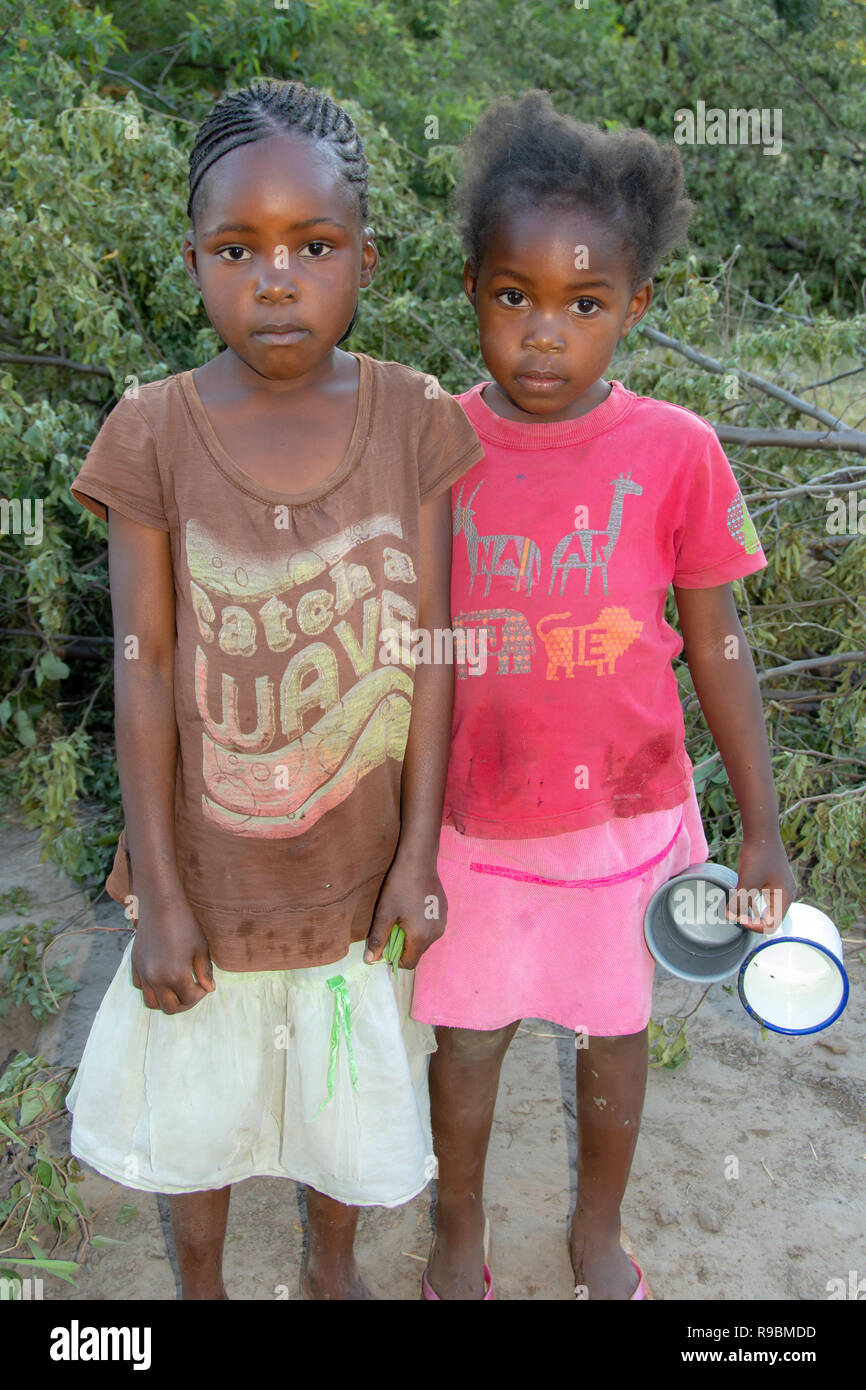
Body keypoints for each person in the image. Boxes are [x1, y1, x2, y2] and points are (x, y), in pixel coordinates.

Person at [65, 77, 484, 1301]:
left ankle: (329, 1268)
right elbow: (141, 675)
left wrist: (416, 855)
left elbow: (434, 641)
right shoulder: (150, 432)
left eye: (313, 245)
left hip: (358, 880)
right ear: (192, 259)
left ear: (366, 255)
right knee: (196, 1113)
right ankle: (200, 1284)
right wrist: (159, 887)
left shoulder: (413, 417)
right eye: (238, 250)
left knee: (343, 1102)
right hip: (208, 874)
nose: (277, 277)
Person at [411, 89, 797, 1301]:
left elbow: (718, 647)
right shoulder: (434, 448)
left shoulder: (676, 450)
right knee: (467, 1040)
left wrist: (764, 826)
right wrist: (402, 838)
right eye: (512, 298)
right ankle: (458, 1229)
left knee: (611, 1037)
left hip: (628, 822)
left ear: (633, 306)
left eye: (583, 306)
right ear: (471, 287)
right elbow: (412, 651)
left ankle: (595, 1228)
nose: (542, 335)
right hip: (477, 823)